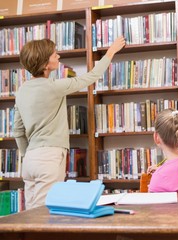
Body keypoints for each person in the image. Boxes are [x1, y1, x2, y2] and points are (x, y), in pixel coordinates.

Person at [13, 36, 126, 209]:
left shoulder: (21, 91)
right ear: (45, 64)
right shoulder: (55, 86)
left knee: (30, 214)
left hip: (30, 159)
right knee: (44, 213)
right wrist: (111, 52)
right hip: (49, 157)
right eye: (54, 54)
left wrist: (26, 154)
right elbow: (91, 77)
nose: (58, 56)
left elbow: (18, 132)